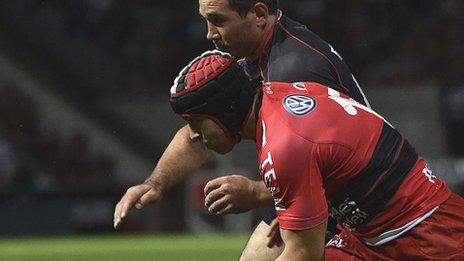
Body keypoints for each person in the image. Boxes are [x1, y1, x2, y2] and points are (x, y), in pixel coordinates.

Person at [114, 0, 369, 259]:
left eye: (219, 21)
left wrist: (255, 193)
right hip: (310, 191)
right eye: (206, 20)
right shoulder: (251, 54)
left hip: (355, 206)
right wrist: (156, 183)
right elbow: (203, 131)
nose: (209, 33)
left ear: (258, 14)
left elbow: (336, 165)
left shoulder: (296, 70)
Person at [168, 51, 464, 260]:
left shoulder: (284, 145)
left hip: (426, 239)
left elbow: (303, 253)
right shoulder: (282, 96)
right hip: (371, 236)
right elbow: (340, 164)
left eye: (196, 122)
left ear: (225, 110)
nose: (194, 134)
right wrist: (297, 207)